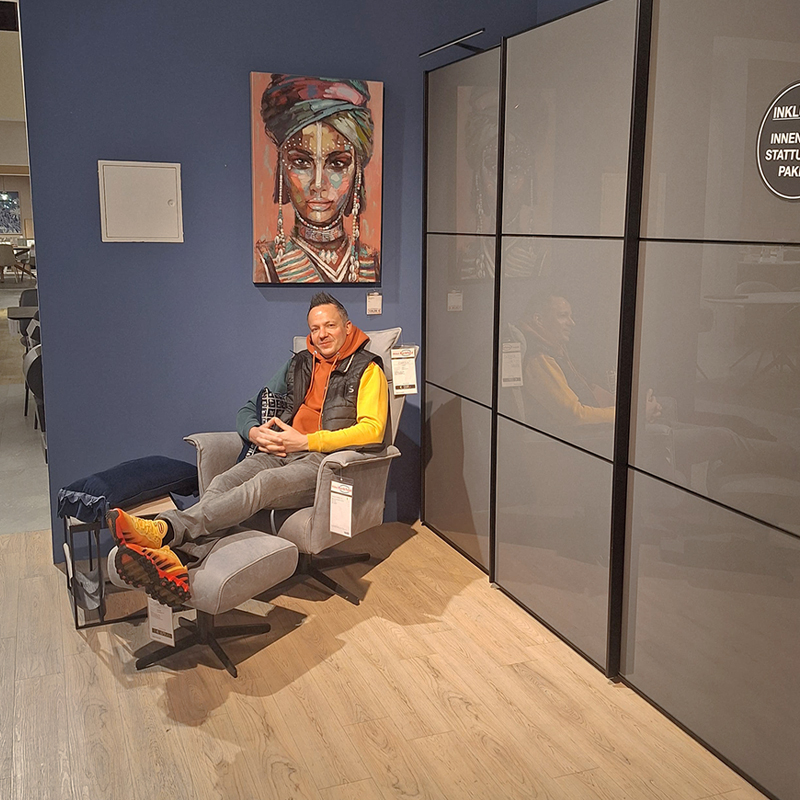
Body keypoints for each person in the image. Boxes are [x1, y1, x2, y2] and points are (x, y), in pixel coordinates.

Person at [107, 293, 389, 608]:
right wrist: (255, 431)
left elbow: (373, 430)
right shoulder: (300, 363)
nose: (321, 334)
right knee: (223, 481)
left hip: (323, 465)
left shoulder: (367, 369)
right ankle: (177, 560)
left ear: (347, 327)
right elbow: (248, 408)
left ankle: (165, 528)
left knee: (262, 485)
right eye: (315, 328)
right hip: (280, 452)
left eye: (330, 326)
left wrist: (307, 441)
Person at [517, 291, 799, 486]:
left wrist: (636, 406)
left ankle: (773, 452)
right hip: (601, 442)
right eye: (563, 316)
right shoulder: (540, 360)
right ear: (539, 319)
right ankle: (790, 461)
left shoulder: (557, 352)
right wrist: (634, 415)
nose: (572, 323)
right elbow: (574, 415)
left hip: (614, 430)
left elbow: (590, 392)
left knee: (724, 428)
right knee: (722, 437)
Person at [254, 74, 380, 284]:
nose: (318, 184)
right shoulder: (265, 262)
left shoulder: (373, 261)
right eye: (301, 162)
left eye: (337, 163)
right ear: (282, 168)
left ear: (357, 170)